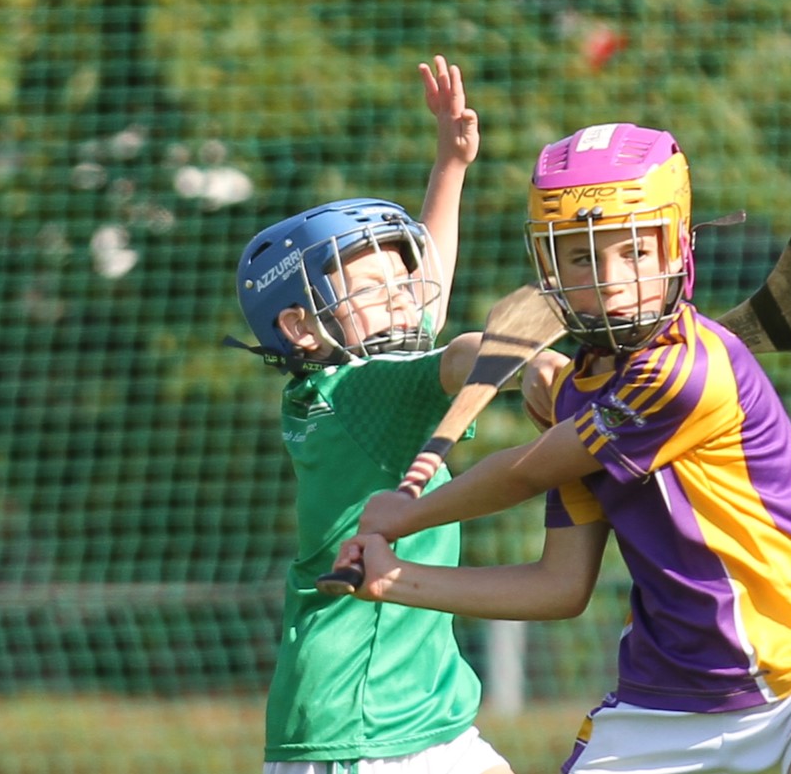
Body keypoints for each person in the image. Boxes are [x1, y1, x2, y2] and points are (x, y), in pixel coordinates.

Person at [333, 123, 791, 774]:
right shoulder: (579, 393)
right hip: (665, 694)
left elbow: (525, 473)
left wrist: (406, 512)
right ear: (549, 268)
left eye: (634, 253)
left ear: (678, 247)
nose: (612, 279)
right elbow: (559, 584)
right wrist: (395, 580)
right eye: (583, 257)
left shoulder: (684, 373)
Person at [232, 56, 562, 774]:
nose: (402, 296)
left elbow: (427, 302)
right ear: (300, 326)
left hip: (410, 717)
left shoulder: (332, 384)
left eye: (401, 276)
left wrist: (451, 163)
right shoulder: (361, 389)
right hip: (365, 730)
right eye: (372, 285)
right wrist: (525, 357)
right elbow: (457, 352)